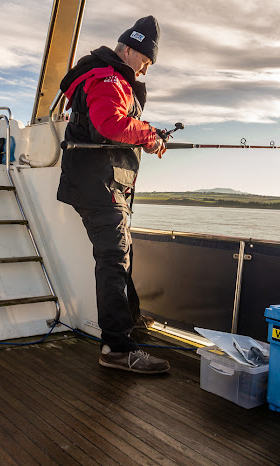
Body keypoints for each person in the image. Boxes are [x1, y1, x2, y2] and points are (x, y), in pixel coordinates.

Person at [57, 16, 169, 374]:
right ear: (131, 49)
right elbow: (111, 124)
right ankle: (117, 349)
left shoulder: (105, 76)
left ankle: (130, 326)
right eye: (146, 62)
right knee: (114, 260)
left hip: (101, 185)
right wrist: (150, 136)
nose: (145, 71)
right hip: (101, 185)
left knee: (120, 254)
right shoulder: (109, 78)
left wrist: (148, 134)